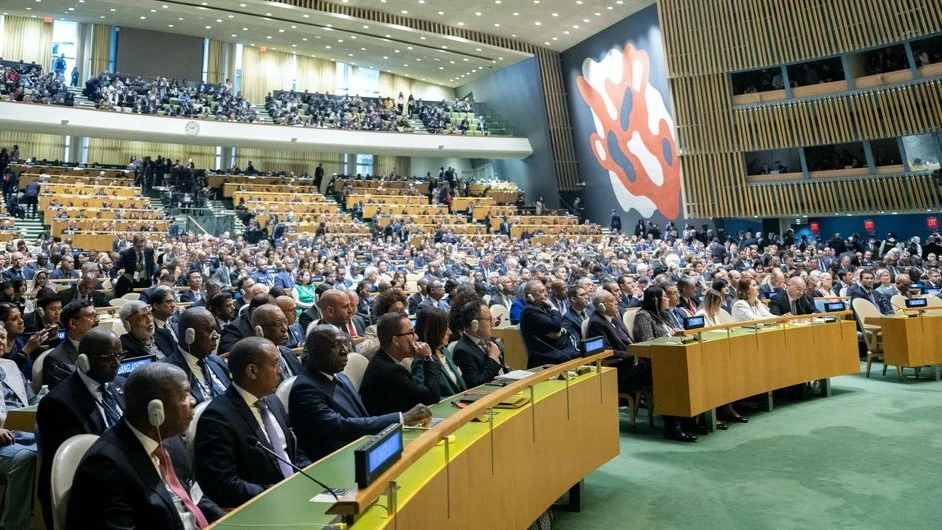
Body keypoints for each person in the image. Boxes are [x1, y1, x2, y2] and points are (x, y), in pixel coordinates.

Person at [66, 363, 226, 528]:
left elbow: (196, 498)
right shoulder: (106, 466)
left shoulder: (170, 438)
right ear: (156, 410)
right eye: (184, 395)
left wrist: (232, 523)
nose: (193, 400)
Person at [194, 337, 309, 508]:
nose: (281, 370)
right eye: (275, 364)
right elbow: (224, 485)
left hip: (296, 493)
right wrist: (278, 493)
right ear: (252, 371)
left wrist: (307, 474)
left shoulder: (272, 400)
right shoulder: (217, 418)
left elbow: (294, 450)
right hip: (264, 506)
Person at [289, 325, 432, 461]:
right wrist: (402, 418)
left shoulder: (341, 377)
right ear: (315, 351)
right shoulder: (305, 389)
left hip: (363, 450)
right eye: (336, 345)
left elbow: (362, 417)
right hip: (337, 461)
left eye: (345, 344)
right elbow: (340, 426)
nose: (345, 351)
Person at [36, 328, 126, 528]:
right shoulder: (58, 403)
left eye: (120, 355)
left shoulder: (122, 385)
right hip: (92, 492)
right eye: (108, 357)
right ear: (83, 360)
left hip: (123, 479)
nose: (117, 363)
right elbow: (83, 463)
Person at [632, 286, 696, 442]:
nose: (668, 299)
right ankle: (673, 427)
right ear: (655, 300)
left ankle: (691, 420)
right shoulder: (643, 316)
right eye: (664, 296)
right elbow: (648, 344)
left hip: (672, 359)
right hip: (651, 366)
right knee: (674, 378)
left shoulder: (664, 314)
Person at [359, 313, 439, 414]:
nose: (417, 337)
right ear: (396, 340)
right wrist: (428, 358)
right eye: (411, 333)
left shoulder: (382, 357)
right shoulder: (390, 371)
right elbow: (431, 397)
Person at [0, 321, 38, 530]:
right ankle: (15, 525)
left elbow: (32, 401)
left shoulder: (11, 365)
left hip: (24, 430)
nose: (1, 342)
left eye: (3, 337)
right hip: (3, 439)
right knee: (26, 458)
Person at [166, 307, 230, 403]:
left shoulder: (217, 361)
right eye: (209, 331)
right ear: (189, 336)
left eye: (215, 329)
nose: (216, 336)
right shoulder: (170, 373)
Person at [519, 280, 579, 367]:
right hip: (544, 353)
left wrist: (561, 331)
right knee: (575, 355)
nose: (546, 294)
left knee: (581, 350)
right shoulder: (530, 311)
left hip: (558, 347)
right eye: (541, 292)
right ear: (530, 296)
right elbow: (555, 326)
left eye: (545, 290)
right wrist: (554, 308)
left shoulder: (543, 306)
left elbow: (564, 323)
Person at [41, 300, 99, 389]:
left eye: (96, 315)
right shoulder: (56, 360)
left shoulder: (103, 348)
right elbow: (61, 398)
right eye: (90, 316)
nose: (97, 320)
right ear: (73, 323)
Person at [451, 299, 509, 387]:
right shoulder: (462, 350)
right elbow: (476, 383)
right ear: (475, 324)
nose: (492, 324)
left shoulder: (487, 341)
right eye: (489, 319)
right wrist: (493, 358)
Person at [412, 307, 466, 397]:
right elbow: (425, 398)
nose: (450, 332)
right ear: (434, 331)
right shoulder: (422, 360)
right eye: (445, 328)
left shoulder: (445, 351)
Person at [250, 304, 303, 380]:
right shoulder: (256, 363)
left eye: (285, 322)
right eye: (278, 324)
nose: (285, 328)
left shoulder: (287, 352)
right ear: (260, 330)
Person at [357, 288, 407, 359]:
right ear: (384, 312)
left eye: (402, 310)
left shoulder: (406, 328)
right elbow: (363, 352)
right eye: (395, 310)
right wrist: (385, 334)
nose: (399, 314)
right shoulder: (373, 329)